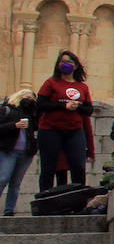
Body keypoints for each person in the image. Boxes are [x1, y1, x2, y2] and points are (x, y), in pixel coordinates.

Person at [35, 50, 93, 191]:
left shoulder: (82, 87)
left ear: (76, 66)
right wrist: (63, 106)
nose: (65, 64)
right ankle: (45, 200)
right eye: (62, 62)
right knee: (49, 167)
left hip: (74, 130)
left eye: (69, 62)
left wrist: (77, 107)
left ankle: (78, 199)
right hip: (50, 130)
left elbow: (88, 109)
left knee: (78, 166)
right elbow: (41, 104)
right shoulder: (51, 83)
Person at [0, 89, 39, 216]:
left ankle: (9, 210)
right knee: (2, 179)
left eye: (32, 98)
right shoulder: (6, 109)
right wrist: (14, 125)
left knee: (16, 183)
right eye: (27, 96)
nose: (29, 99)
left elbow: (39, 125)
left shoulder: (31, 114)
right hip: (8, 150)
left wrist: (35, 108)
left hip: (25, 152)